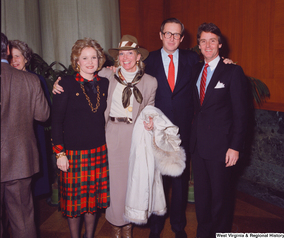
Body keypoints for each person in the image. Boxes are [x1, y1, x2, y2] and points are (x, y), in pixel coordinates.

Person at [53, 35, 158, 238]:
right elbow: (80, 75)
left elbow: (150, 110)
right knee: (115, 186)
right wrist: (58, 82)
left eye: (130, 53)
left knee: (133, 184)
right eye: (121, 54)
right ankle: (117, 225)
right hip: (110, 134)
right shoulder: (108, 76)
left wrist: (152, 121)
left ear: (138, 56)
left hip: (136, 136)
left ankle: (129, 225)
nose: (125, 57)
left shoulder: (150, 82)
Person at [190, 23, 248, 238]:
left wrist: (235, 146)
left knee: (221, 200)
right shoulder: (195, 69)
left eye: (212, 40)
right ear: (198, 45)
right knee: (202, 199)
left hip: (222, 148)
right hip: (198, 146)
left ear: (220, 44)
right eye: (203, 41)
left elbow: (241, 115)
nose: (207, 45)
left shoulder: (232, 71)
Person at [144, 18, 199, 238]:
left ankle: (178, 225)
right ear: (160, 35)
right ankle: (155, 226)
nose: (172, 38)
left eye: (176, 35)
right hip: (156, 130)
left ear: (182, 38)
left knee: (180, 180)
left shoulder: (192, 59)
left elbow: (212, 68)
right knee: (158, 180)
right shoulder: (148, 60)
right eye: (168, 34)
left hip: (183, 130)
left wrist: (228, 64)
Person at [51, 38, 109, 238]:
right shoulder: (64, 83)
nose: (90, 62)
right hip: (73, 154)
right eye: (85, 58)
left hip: (99, 151)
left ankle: (90, 236)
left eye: (94, 57)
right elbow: (56, 122)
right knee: (75, 205)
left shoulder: (105, 83)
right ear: (77, 61)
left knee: (92, 203)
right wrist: (60, 154)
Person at [1, 33, 50, 238]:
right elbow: (43, 115)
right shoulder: (30, 80)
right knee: (22, 219)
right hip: (19, 161)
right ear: (7, 50)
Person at [9, 39, 52, 197]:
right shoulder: (7, 80)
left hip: (35, 129)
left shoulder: (36, 79)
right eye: (11, 57)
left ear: (26, 58)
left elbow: (45, 111)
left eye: (18, 56)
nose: (14, 61)